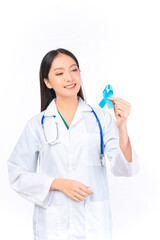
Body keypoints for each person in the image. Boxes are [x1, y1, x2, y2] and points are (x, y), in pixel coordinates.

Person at [8, 48, 139, 240]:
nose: (69, 78)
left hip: (93, 224)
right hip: (53, 226)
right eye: (59, 73)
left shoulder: (101, 119)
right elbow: (16, 174)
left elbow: (125, 169)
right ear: (47, 82)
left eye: (74, 70)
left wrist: (122, 127)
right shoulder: (37, 124)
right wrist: (57, 184)